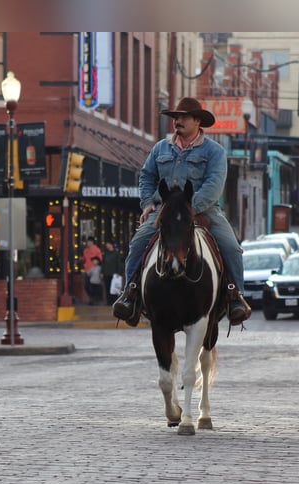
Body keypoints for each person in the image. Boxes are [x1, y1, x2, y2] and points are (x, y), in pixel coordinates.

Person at [112, 97, 251, 327]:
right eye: (176, 117)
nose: (178, 121)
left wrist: (189, 209)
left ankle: (235, 296)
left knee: (231, 247)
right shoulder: (160, 148)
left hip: (205, 209)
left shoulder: (214, 151)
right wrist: (147, 203)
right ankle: (130, 294)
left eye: (183, 117)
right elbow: (147, 176)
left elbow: (213, 185)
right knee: (137, 243)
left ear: (198, 121)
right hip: (165, 211)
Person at [100, 239, 123, 305]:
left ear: (111, 245)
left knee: (114, 288)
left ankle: (114, 301)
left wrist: (118, 273)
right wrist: (102, 272)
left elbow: (119, 264)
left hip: (114, 274)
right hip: (106, 273)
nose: (106, 245)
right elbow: (103, 263)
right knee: (107, 288)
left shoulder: (116, 253)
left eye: (107, 244)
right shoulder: (105, 253)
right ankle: (108, 301)